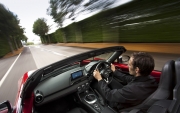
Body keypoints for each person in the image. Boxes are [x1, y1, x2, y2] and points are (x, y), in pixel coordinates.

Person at [93, 52, 158, 110]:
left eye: (129, 64)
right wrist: (115, 72)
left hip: (120, 107)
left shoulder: (132, 90)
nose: (127, 66)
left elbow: (109, 95)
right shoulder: (150, 79)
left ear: (137, 70)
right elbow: (128, 78)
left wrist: (99, 79)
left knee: (95, 86)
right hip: (133, 100)